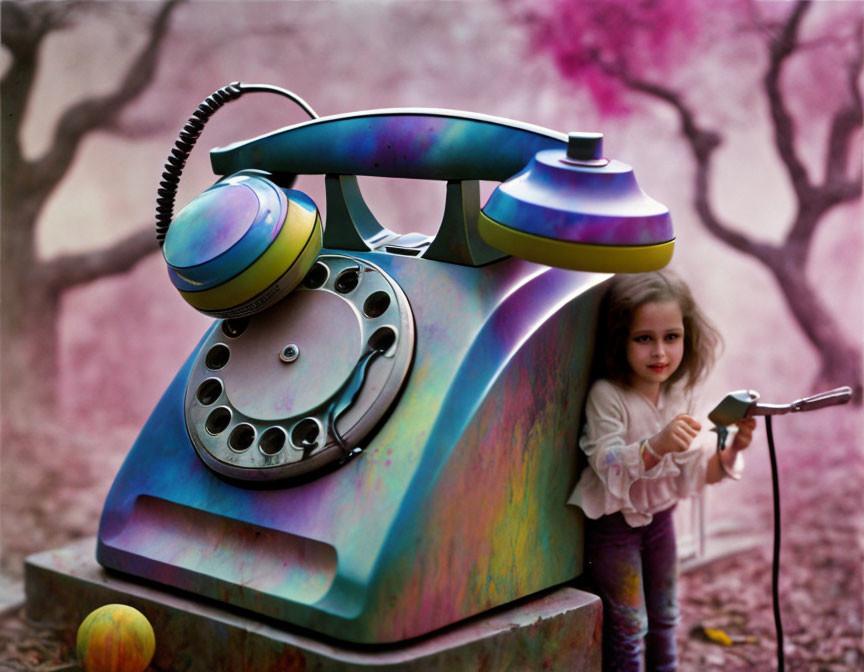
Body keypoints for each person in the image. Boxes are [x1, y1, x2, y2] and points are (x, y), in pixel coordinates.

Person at [568, 270, 756, 672]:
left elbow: (691, 472)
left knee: (667, 613)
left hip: (661, 521)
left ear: (687, 337)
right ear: (620, 340)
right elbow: (606, 463)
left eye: (671, 337)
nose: (660, 353)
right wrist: (656, 446)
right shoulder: (609, 395)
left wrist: (731, 450)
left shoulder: (678, 395)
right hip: (614, 528)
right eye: (644, 339)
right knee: (629, 624)